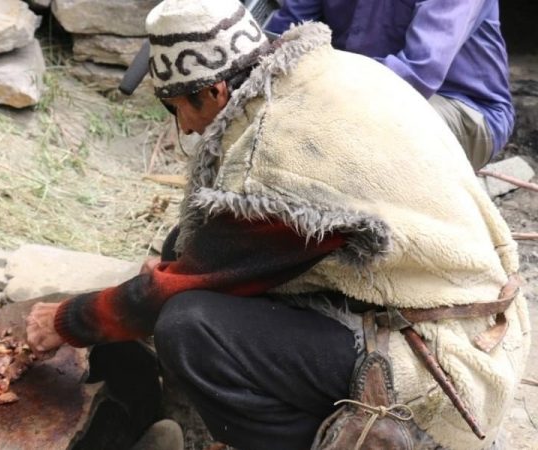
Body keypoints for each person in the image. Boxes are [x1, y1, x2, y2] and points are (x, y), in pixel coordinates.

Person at [26, 0, 530, 449]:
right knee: (187, 246)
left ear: (216, 90)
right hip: (470, 317)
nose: (185, 128)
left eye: (179, 108)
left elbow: (176, 290)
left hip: (450, 369)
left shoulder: (278, 151)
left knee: (190, 328)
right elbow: (212, 252)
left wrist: (68, 320)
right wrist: (179, 263)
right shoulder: (327, 71)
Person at [265, 0, 515, 171]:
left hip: (460, 106)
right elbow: (282, 37)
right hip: (347, 94)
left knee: (349, 137)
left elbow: (417, 74)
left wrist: (313, 94)